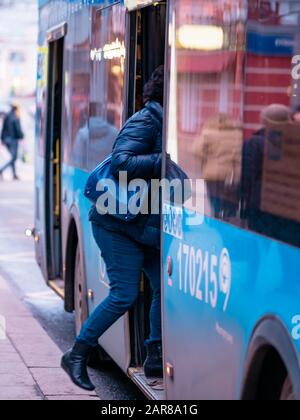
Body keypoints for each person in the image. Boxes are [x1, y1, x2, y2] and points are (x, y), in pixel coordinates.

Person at [61, 66, 165, 391]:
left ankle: (154, 356)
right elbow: (121, 161)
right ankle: (77, 354)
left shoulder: (162, 120)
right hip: (115, 222)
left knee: (162, 283)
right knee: (124, 293)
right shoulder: (147, 120)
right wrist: (164, 159)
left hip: (140, 221)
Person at [0, 104, 24, 180]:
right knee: (13, 158)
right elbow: (18, 129)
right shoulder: (16, 117)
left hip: (6, 140)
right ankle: (1, 170)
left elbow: (3, 129)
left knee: (12, 157)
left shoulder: (7, 116)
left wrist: (2, 139)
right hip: (13, 140)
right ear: (16, 109)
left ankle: (14, 175)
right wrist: (21, 136)